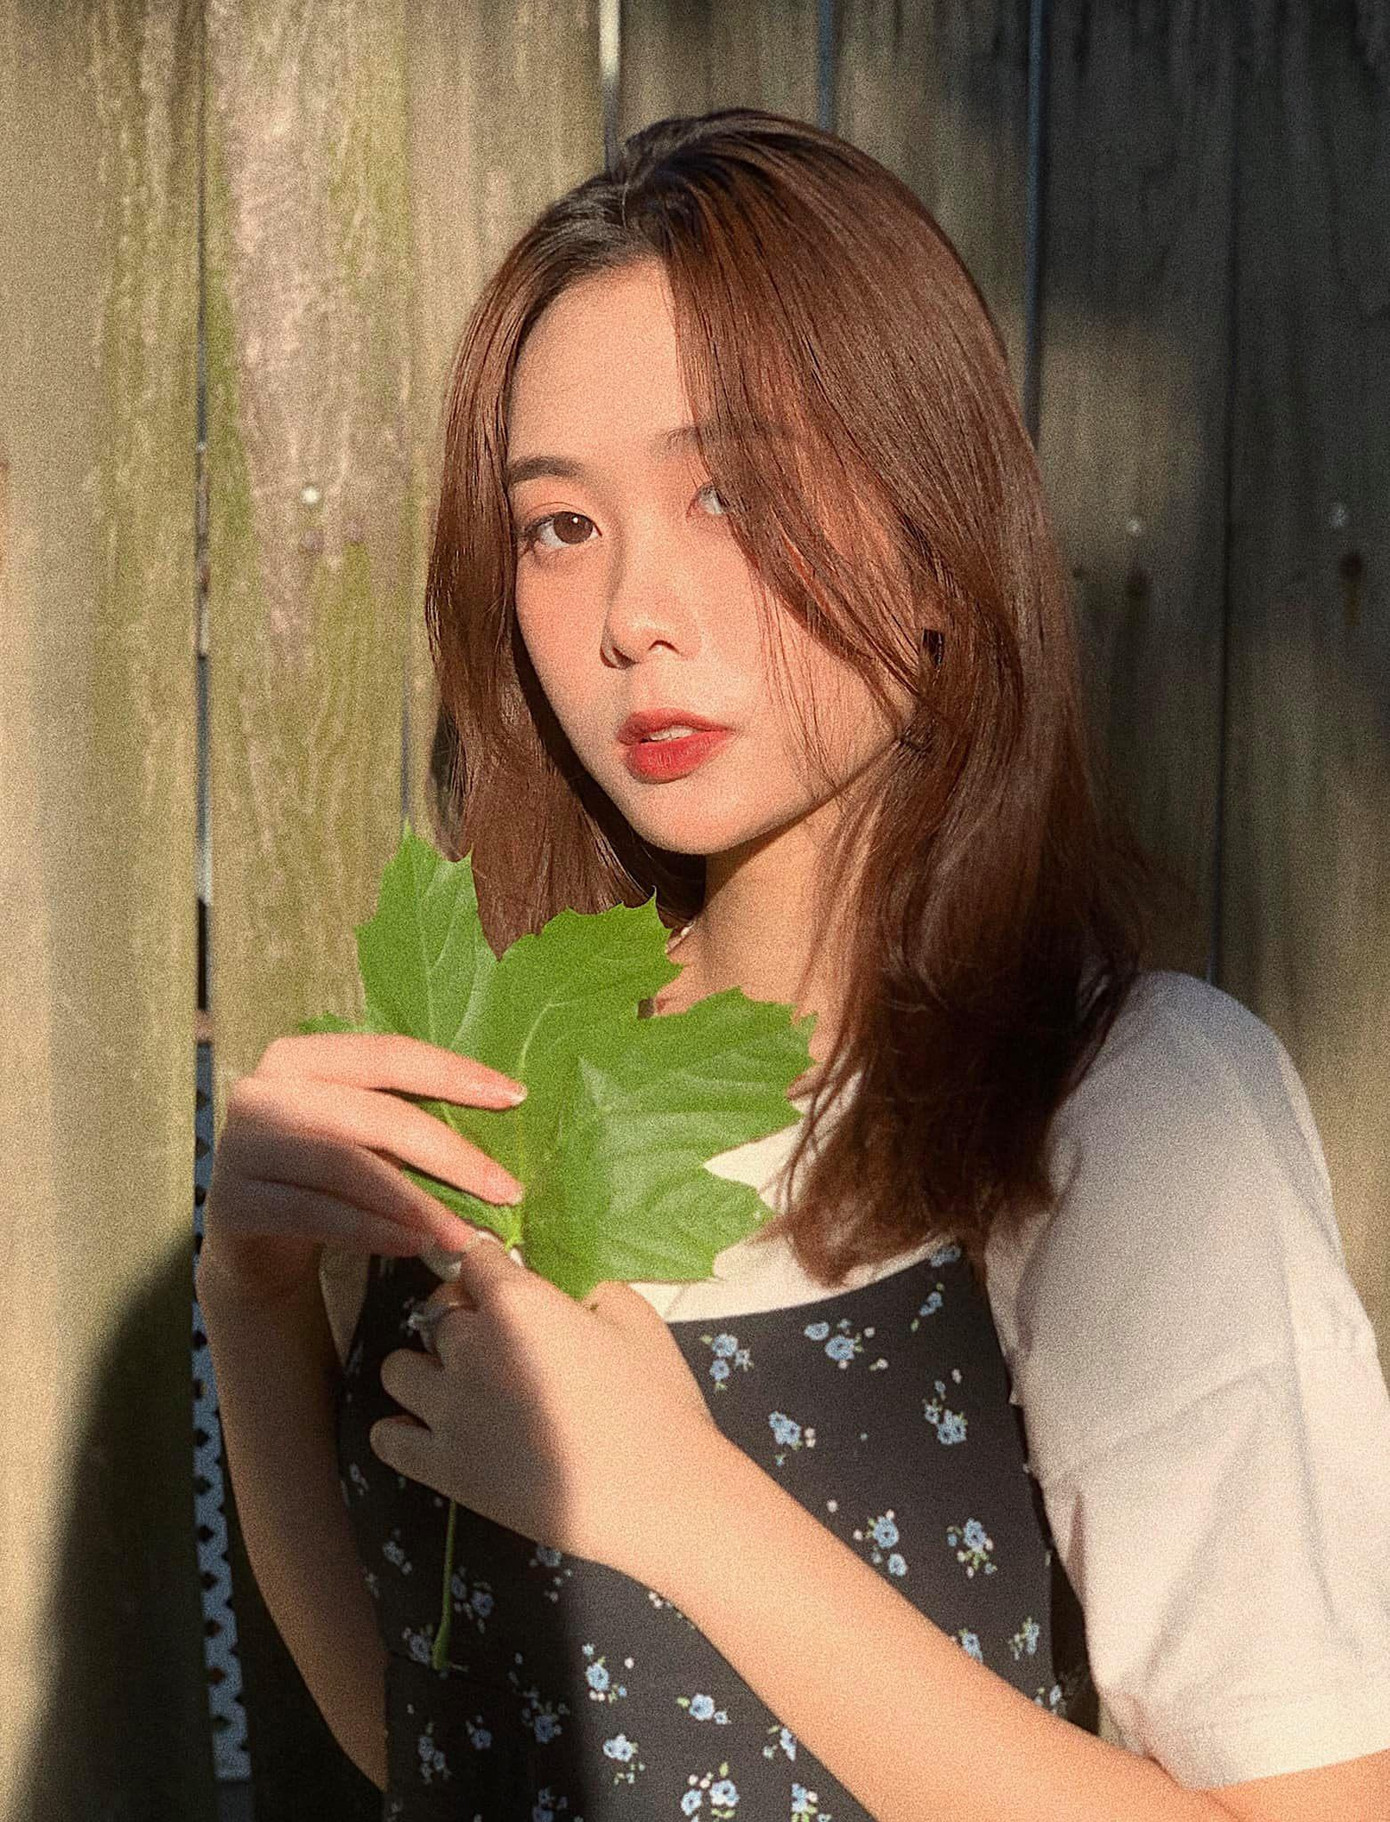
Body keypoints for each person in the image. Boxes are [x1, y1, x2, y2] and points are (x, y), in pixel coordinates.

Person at [196, 108, 1390, 1821]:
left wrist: (680, 1507)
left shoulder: (1121, 1113)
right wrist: (250, 1308)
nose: (634, 611)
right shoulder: (523, 1074)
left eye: (729, 493)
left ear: (932, 535)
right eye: (558, 526)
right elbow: (436, 1744)